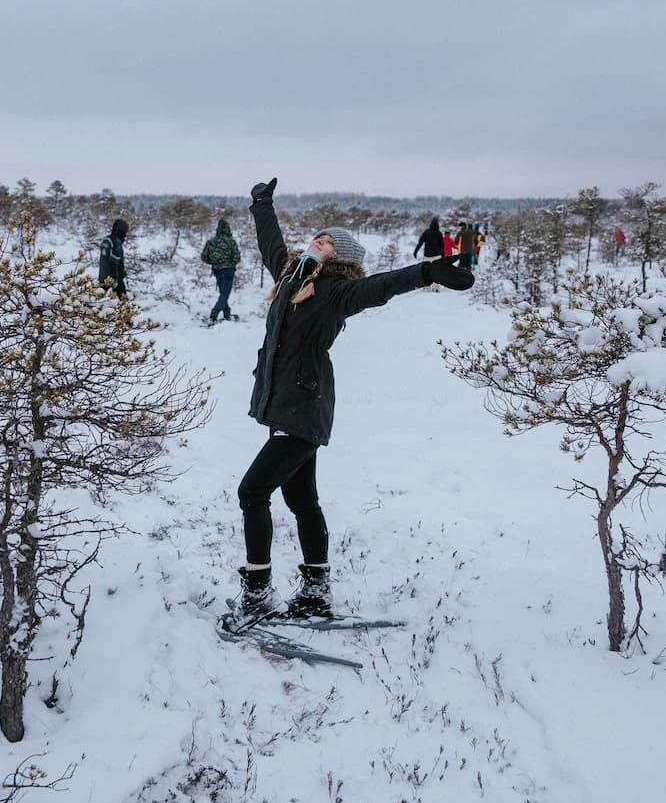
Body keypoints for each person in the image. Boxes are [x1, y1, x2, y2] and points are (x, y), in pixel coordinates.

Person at [234, 178, 474, 622]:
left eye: (326, 243)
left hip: (304, 410)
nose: (316, 242)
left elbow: (381, 286)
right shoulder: (290, 279)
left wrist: (426, 271)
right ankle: (315, 594)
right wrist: (261, 204)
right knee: (303, 503)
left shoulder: (336, 293)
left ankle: (257, 594)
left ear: (338, 258)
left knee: (252, 492)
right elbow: (271, 244)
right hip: (286, 407)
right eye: (317, 237)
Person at [200, 217, 241, 324]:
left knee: (223, 293)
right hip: (229, 271)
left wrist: (214, 263)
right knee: (224, 294)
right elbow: (237, 258)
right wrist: (230, 264)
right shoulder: (231, 242)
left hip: (217, 271)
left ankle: (227, 314)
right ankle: (214, 314)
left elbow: (204, 257)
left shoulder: (211, 242)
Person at [98, 217, 130, 297]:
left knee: (97, 297)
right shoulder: (116, 242)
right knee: (123, 300)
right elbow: (115, 260)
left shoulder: (106, 239)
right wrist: (118, 275)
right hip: (114, 277)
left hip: (103, 275)